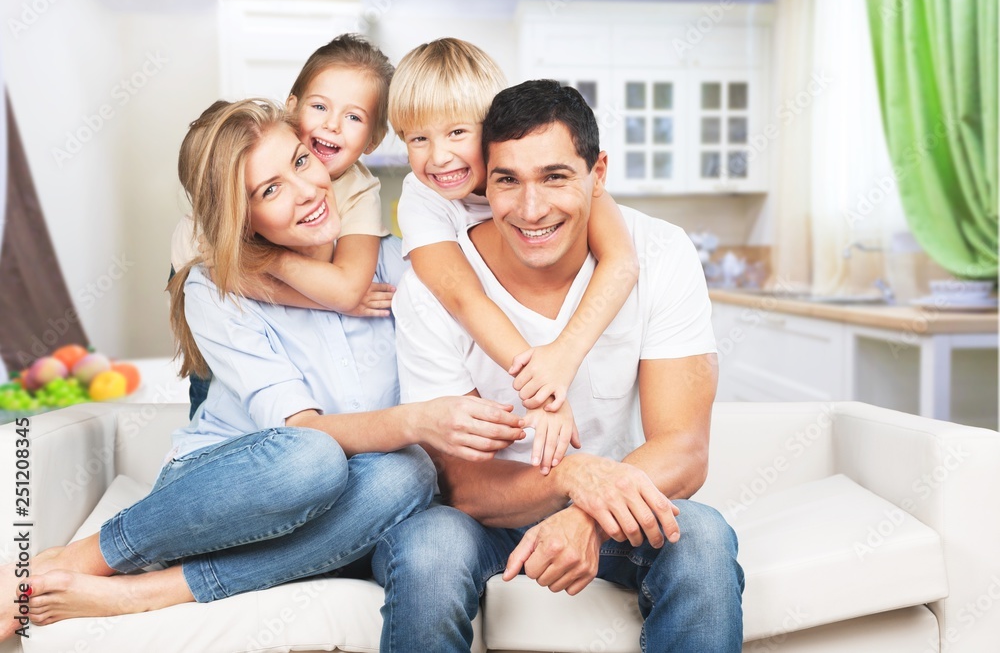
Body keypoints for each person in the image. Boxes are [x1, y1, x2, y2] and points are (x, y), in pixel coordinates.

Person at [1, 99, 525, 637]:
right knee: (313, 459)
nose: (306, 193)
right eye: (268, 191)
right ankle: (85, 558)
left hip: (350, 507)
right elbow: (304, 435)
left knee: (408, 473)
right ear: (241, 216)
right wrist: (417, 420)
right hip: (229, 491)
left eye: (301, 162)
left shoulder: (404, 263)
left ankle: (154, 592)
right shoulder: (217, 289)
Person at [375, 80, 744, 652]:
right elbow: (462, 484)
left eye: (554, 177)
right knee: (428, 548)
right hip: (486, 519)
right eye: (507, 180)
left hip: (616, 504)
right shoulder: (433, 288)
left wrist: (588, 515)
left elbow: (685, 449)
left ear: (598, 174)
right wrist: (570, 476)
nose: (531, 208)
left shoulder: (661, 252)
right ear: (482, 181)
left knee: (700, 537)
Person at [387, 39, 640, 473]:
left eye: (457, 132)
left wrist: (563, 357)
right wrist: (541, 390)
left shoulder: (556, 173)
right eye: (418, 138)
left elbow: (622, 262)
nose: (438, 156)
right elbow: (463, 296)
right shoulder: (421, 198)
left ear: (491, 130)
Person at [170, 33, 397, 418]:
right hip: (217, 300)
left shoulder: (359, 189)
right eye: (320, 106)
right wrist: (275, 263)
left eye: (354, 116)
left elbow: (345, 290)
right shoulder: (218, 210)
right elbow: (215, 277)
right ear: (292, 109)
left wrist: (268, 261)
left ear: (373, 141)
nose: (332, 125)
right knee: (214, 390)